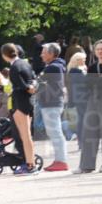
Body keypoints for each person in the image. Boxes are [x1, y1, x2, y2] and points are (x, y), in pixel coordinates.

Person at [2, 43, 39, 175]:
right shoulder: (25, 63)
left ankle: (30, 165)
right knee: (27, 135)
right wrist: (31, 87)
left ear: (5, 56)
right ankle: (31, 163)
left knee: (24, 135)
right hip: (28, 101)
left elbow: (18, 84)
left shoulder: (14, 67)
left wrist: (27, 88)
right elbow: (33, 79)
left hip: (19, 101)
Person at [38, 43, 69, 172]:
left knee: (55, 132)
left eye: (44, 52)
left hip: (51, 103)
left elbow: (48, 86)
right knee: (55, 132)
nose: (41, 54)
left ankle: (61, 161)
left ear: (51, 54)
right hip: (53, 103)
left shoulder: (53, 67)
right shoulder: (56, 66)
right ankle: (59, 160)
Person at [75, 40, 102, 173]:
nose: (100, 52)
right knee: (89, 133)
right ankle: (86, 165)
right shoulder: (92, 67)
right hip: (93, 101)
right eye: (98, 49)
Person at [67, 51, 89, 147]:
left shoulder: (77, 70)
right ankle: (82, 141)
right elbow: (83, 83)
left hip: (81, 97)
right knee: (83, 119)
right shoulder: (75, 71)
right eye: (83, 59)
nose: (85, 61)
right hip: (82, 98)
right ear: (77, 60)